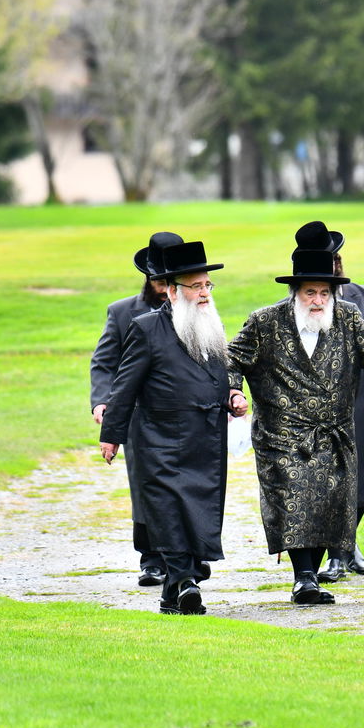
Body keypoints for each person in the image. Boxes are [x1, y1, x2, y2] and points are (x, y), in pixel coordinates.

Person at [227, 248, 364, 605]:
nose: (317, 300)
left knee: (330, 503)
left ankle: (309, 573)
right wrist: (233, 389)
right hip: (282, 434)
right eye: (310, 292)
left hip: (334, 431)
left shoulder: (348, 316)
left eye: (324, 292)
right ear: (295, 292)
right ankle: (305, 577)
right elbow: (231, 358)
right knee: (294, 498)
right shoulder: (265, 321)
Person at [99, 241, 240, 615]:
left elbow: (220, 377)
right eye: (196, 287)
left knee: (197, 509)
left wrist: (232, 396)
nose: (205, 293)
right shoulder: (146, 329)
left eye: (208, 285)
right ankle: (186, 581)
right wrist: (112, 434)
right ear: (173, 290)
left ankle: (174, 590)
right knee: (168, 511)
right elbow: (124, 386)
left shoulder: (212, 326)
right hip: (158, 439)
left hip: (206, 438)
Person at [288, 221, 364, 583]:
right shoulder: (296, 305)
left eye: (334, 258)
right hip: (318, 413)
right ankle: (337, 554)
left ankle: (345, 542)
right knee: (327, 483)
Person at [90, 231, 183, 587]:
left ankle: (184, 555)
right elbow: (104, 362)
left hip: (184, 415)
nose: (162, 287)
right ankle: (151, 559)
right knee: (145, 487)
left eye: (168, 280)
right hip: (139, 414)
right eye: (157, 280)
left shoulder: (197, 308)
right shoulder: (123, 312)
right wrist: (102, 400)